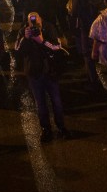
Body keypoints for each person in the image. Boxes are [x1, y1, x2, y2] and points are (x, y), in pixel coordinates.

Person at [15, 12, 71, 142]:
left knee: (56, 102)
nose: (35, 25)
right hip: (34, 73)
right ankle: (46, 129)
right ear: (27, 22)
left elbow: (58, 47)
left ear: (41, 19)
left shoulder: (48, 27)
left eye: (37, 22)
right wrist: (25, 38)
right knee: (40, 103)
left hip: (50, 72)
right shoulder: (24, 31)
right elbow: (17, 50)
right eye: (31, 22)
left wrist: (42, 41)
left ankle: (61, 127)